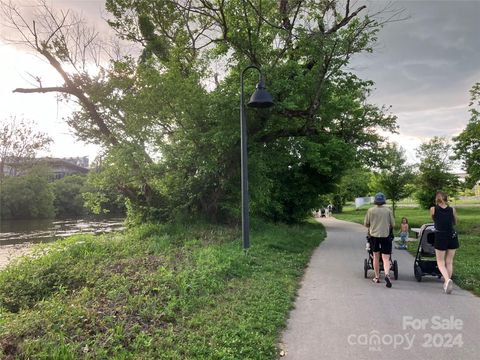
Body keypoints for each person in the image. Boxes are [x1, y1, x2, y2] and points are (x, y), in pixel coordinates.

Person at [364, 192, 395, 288]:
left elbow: (366, 224)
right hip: (385, 236)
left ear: (375, 201)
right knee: (386, 258)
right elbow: (393, 224)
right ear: (384, 201)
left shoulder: (370, 210)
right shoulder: (388, 211)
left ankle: (377, 277)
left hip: (374, 236)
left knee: (375, 256)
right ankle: (386, 275)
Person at [430, 191, 459, 294]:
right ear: (447, 199)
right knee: (449, 261)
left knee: (440, 262)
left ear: (436, 199)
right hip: (452, 235)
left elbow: (434, 220)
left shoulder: (433, 209)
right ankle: (447, 283)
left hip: (440, 236)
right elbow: (454, 222)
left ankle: (447, 280)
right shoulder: (452, 210)